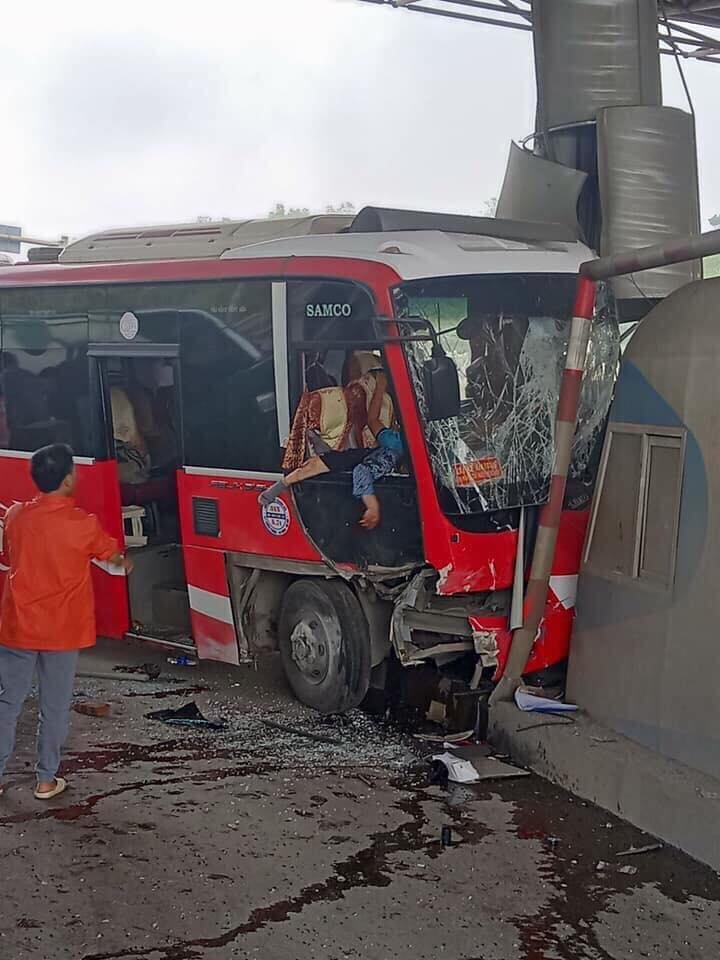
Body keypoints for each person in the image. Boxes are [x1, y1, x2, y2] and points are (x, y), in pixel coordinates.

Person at [0, 443, 131, 800]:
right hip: (61, 630)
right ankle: (45, 780)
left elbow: (8, 559)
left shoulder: (15, 518)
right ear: (69, 479)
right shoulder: (82, 524)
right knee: (53, 707)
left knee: (7, 703)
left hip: (17, 627)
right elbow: (116, 564)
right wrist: (123, 560)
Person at [259, 373, 403, 530]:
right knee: (317, 465)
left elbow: (373, 420)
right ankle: (281, 484)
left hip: (355, 455)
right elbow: (362, 472)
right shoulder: (395, 446)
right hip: (356, 459)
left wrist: (381, 388)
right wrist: (372, 505)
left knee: (319, 463)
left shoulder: (397, 439)